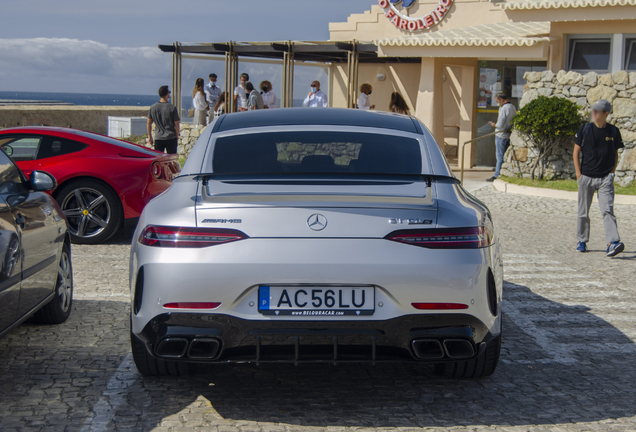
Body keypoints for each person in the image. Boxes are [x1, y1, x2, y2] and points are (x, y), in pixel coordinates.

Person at [573, 99, 625, 257]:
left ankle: (613, 242)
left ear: (606, 113)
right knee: (583, 212)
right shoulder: (585, 129)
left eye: (597, 110)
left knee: (607, 210)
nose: (593, 113)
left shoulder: (613, 132)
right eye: (593, 110)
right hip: (586, 177)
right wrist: (579, 175)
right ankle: (581, 240)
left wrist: (612, 173)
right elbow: (576, 152)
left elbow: (616, 154)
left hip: (605, 179)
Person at [486, 93, 516, 182]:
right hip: (508, 134)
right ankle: (501, 172)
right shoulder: (513, 107)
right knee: (504, 156)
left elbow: (501, 122)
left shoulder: (504, 108)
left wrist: (494, 125)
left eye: (497, 101)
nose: (497, 103)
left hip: (501, 135)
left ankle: (496, 174)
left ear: (502, 100)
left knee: (499, 156)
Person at [147, 85, 180, 155]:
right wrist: (177, 135)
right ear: (167, 94)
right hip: (170, 137)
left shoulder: (153, 107)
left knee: (159, 160)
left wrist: (150, 136)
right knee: (171, 160)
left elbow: (148, 123)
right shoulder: (172, 108)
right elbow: (176, 123)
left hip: (158, 137)